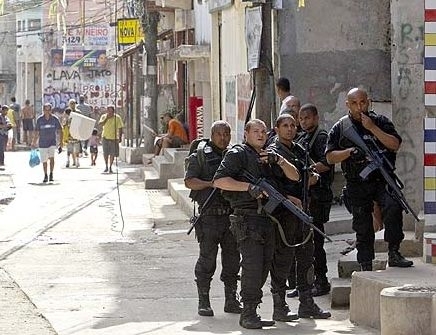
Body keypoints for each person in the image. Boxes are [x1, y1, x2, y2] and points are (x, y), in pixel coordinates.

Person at [213, 119, 300, 329]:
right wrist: (248, 187)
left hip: (267, 220)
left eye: (263, 131)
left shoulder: (268, 157)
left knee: (263, 267)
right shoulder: (238, 154)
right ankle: (248, 313)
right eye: (256, 131)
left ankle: (252, 309)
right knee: (252, 267)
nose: (261, 135)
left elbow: (295, 176)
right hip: (247, 218)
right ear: (246, 134)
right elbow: (219, 180)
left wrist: (279, 160)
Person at [325, 87, 413, 270]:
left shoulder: (380, 122)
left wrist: (372, 128)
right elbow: (329, 157)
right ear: (347, 105)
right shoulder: (341, 128)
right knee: (362, 224)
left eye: (362, 102)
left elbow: (395, 144)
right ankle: (365, 263)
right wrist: (349, 152)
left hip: (382, 179)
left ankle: (394, 252)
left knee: (393, 206)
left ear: (368, 102)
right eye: (355, 103)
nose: (359, 107)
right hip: (357, 183)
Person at [268, 114, 331, 321]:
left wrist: (311, 179)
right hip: (283, 214)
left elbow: (313, 174)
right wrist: (288, 196)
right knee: (283, 260)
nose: (289, 129)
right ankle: (279, 305)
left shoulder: (300, 149)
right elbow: (270, 185)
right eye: (285, 126)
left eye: (292, 125)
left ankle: (307, 303)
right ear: (277, 129)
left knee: (307, 258)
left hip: (303, 212)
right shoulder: (273, 152)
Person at [184, 121, 241, 317]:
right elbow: (189, 181)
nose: (223, 138)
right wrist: (211, 183)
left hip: (231, 217)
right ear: (212, 135)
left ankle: (231, 300)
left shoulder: (234, 155)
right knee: (207, 261)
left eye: (227, 134)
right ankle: (204, 301)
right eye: (219, 134)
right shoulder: (199, 155)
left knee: (233, 260)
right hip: (209, 218)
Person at [298, 103, 334, 296]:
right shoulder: (303, 137)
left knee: (316, 241)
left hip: (318, 196)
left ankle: (321, 280)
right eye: (301, 118)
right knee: (304, 242)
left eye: (307, 118)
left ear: (316, 118)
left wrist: (305, 171)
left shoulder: (321, 138)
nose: (304, 121)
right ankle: (305, 282)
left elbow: (326, 164)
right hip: (306, 196)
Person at [32, 103, 63, 183]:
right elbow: (36, 132)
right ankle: (45, 174)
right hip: (42, 143)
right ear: (43, 110)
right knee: (44, 160)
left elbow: (60, 130)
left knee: (52, 158)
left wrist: (61, 142)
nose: (47, 111)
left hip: (52, 142)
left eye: (49, 110)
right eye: (46, 110)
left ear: (51, 110)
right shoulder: (40, 120)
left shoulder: (55, 119)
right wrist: (34, 142)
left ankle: (51, 173)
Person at [98, 105, 124, 173]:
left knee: (112, 153)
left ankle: (110, 167)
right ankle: (106, 165)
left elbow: (120, 127)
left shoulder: (117, 117)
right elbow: (100, 124)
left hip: (114, 138)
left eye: (110, 111)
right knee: (105, 153)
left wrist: (120, 137)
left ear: (113, 111)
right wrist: (106, 118)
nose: (109, 112)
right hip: (105, 137)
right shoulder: (104, 116)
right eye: (108, 110)